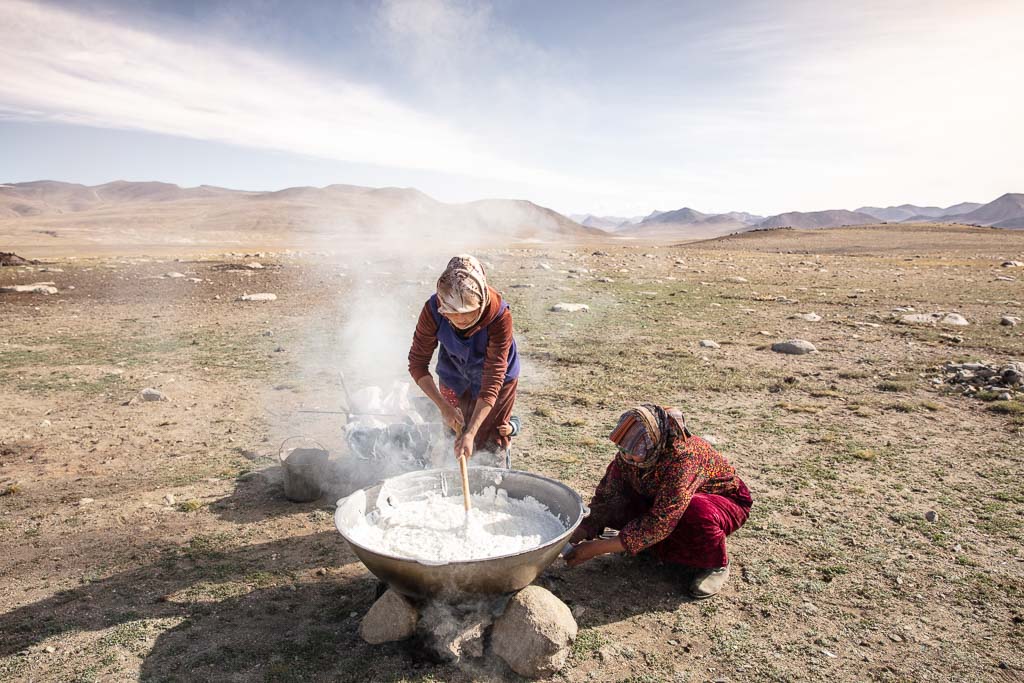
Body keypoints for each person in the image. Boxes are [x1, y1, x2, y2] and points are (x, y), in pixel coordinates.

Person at [564, 404, 752, 599]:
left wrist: (595, 549)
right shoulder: (630, 457)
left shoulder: (683, 459)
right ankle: (647, 547)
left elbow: (661, 521)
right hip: (665, 502)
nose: (626, 456)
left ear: (653, 443)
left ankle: (715, 564)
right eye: (622, 449)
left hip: (722, 504)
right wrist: (582, 529)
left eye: (633, 451)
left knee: (695, 511)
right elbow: (607, 497)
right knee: (622, 497)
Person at [408, 254, 520, 465]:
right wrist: (444, 407)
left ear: (481, 300)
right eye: (451, 313)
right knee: (455, 430)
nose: (460, 319)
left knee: (490, 437)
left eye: (468, 313)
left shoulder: (499, 316)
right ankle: (454, 481)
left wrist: (473, 432)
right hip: (453, 373)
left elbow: (493, 380)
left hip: (499, 381)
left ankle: (495, 481)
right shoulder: (433, 310)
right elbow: (417, 363)